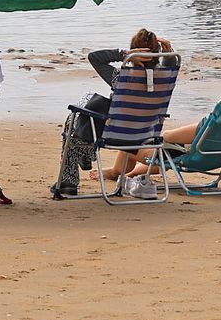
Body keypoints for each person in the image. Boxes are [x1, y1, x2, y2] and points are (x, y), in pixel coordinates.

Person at [51, 29, 165, 196]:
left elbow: (94, 57)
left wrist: (124, 54)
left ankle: (70, 177)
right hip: (144, 136)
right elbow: (169, 65)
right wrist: (168, 53)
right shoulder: (165, 79)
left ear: (134, 52)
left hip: (113, 135)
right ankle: (83, 156)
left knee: (76, 113)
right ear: (158, 54)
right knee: (87, 107)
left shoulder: (121, 78)